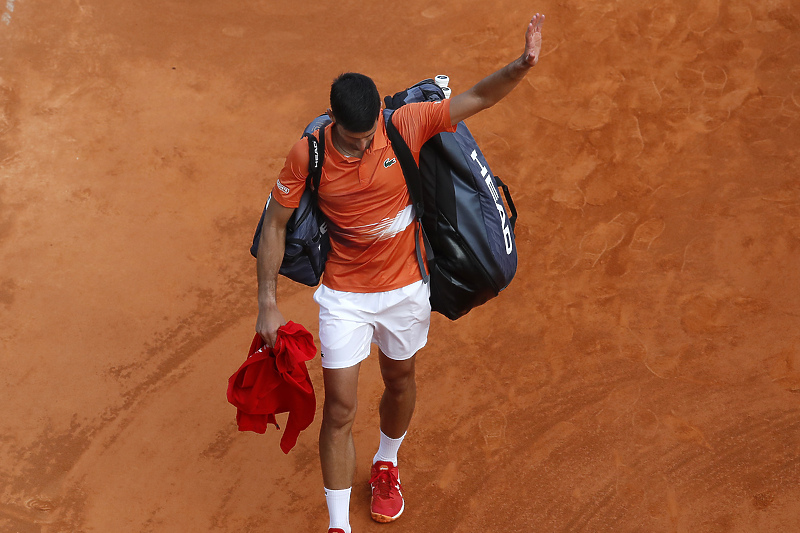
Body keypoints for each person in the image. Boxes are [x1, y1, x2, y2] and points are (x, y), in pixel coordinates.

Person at [255, 13, 545, 533]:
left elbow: (478, 96)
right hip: (344, 293)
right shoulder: (310, 153)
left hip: (407, 287)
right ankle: (338, 524)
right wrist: (268, 303)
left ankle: (387, 462)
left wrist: (521, 65)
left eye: (370, 137)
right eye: (354, 139)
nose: (366, 147)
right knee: (340, 408)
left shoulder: (401, 125)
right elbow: (274, 224)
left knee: (400, 377)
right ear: (331, 123)